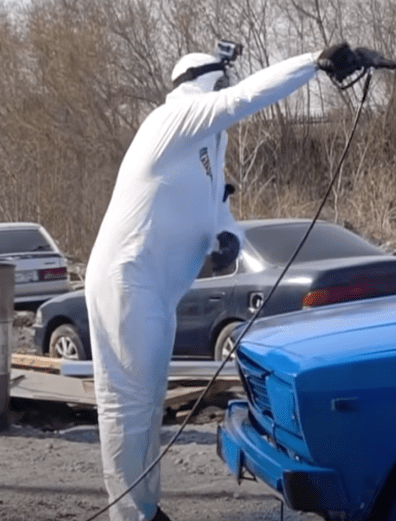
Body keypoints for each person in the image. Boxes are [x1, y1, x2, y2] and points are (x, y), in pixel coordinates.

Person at [84, 42, 365, 521]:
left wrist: (226, 237)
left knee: (146, 407)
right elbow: (239, 101)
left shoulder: (208, 150)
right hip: (125, 278)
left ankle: (144, 509)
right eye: (220, 80)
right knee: (128, 408)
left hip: (156, 290)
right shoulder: (171, 120)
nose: (226, 87)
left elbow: (219, 213)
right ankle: (131, 516)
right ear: (202, 82)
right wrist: (313, 62)